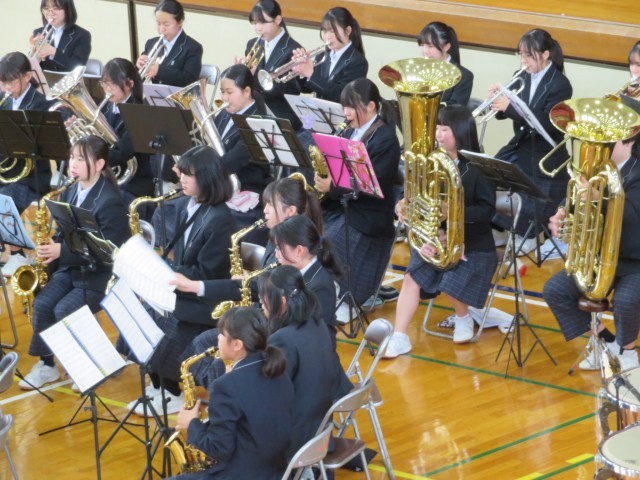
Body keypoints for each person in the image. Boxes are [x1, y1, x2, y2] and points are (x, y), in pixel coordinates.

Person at [127, 145, 236, 415]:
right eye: (182, 173)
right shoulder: (190, 206)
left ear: (207, 177)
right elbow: (182, 258)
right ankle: (159, 385)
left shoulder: (219, 219)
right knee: (143, 316)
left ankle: (172, 391)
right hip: (184, 289)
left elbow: (207, 274)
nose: (181, 179)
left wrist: (167, 273)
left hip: (204, 300)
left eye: (189, 174)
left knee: (163, 329)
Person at [384, 105, 497, 357]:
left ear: (461, 131)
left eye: (445, 129)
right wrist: (403, 204)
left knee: (448, 279)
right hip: (436, 239)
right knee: (411, 277)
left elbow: (487, 211)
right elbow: (414, 194)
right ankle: (400, 336)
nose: (438, 134)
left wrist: (454, 212)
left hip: (473, 244)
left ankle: (463, 317)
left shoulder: (479, 167)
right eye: (437, 128)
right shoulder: (430, 162)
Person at [18, 135, 130, 389]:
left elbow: (106, 252)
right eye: (71, 157)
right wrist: (51, 248)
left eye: (81, 159)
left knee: (65, 309)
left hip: (100, 275)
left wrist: (61, 251)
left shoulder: (110, 201)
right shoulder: (70, 190)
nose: (73, 164)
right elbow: (64, 232)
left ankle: (92, 366)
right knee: (43, 303)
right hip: (72, 268)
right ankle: (47, 365)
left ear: (99, 164)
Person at [543, 133, 640, 373]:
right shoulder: (599, 170)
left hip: (634, 260)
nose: (597, 144)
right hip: (599, 258)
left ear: (629, 138)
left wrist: (599, 198)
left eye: (606, 138)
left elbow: (631, 215)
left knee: (626, 301)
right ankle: (606, 340)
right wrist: (562, 213)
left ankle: (627, 352)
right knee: (555, 290)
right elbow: (573, 199)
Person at [169, 306, 294, 480]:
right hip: (277, 470)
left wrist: (191, 424)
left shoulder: (224, 387)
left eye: (221, 334)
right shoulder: (278, 370)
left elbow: (219, 450)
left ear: (237, 344)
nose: (217, 337)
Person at [314, 78, 400, 315]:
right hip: (346, 205)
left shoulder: (386, 139)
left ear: (371, 106)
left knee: (328, 243)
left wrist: (331, 187)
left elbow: (370, 183)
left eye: (352, 107)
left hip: (369, 214)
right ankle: (324, 294)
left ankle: (344, 297)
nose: (346, 113)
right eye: (345, 107)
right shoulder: (350, 130)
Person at [491, 28, 572, 252]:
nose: (523, 60)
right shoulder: (521, 75)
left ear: (545, 54)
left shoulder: (560, 84)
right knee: (489, 173)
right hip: (521, 145)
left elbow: (546, 123)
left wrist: (509, 107)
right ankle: (500, 228)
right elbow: (506, 110)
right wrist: (495, 103)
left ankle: (527, 235)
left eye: (528, 55)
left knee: (529, 190)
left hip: (545, 151)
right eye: (521, 54)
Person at [259, 265, 351, 457]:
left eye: (264, 296)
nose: (261, 301)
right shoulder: (317, 324)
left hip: (294, 442)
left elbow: (270, 394)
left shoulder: (282, 339)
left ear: (282, 302)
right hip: (319, 434)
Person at [0, 52, 53, 276]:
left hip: (31, 178)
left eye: (11, 82)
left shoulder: (40, 105)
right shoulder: (4, 101)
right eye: (3, 82)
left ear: (27, 76)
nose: (7, 88)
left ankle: (17, 253)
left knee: (3, 201)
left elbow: (44, 147)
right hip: (8, 173)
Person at [214, 64, 273, 232]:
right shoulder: (225, 113)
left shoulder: (258, 122)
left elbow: (232, 161)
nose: (224, 98)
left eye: (229, 92)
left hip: (247, 189)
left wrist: (198, 170)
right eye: (222, 92)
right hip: (221, 184)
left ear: (246, 91)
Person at [270, 214, 342, 346]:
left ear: (299, 251)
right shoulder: (300, 271)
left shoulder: (320, 286)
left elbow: (307, 331)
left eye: (279, 248)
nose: (276, 254)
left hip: (313, 350)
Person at [99, 58, 155, 205]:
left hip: (133, 185)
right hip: (108, 179)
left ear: (130, 84)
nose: (108, 89)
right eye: (104, 83)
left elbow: (122, 152)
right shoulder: (104, 108)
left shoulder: (140, 112)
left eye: (113, 84)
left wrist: (92, 155)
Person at [244, 0, 304, 130]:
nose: (258, 28)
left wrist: (255, 75)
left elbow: (289, 91)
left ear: (277, 20)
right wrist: (242, 71)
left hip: (280, 115)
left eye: (262, 22)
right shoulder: (252, 44)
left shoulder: (293, 49)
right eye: (254, 23)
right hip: (255, 109)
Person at [292, 7, 368, 104]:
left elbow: (341, 95)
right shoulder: (322, 56)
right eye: (325, 31)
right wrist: (301, 70)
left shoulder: (358, 61)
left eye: (333, 31)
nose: (328, 36)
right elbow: (307, 89)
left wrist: (311, 74)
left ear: (348, 31)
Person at [135, 0, 203, 87]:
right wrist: (139, 65)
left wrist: (159, 71)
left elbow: (189, 79)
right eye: (158, 23)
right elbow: (140, 77)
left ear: (180, 22)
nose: (161, 29)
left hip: (178, 95)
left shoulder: (193, 47)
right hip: (154, 93)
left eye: (166, 24)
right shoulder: (151, 43)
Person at [417, 21, 473, 107]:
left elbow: (455, 109)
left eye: (430, 46)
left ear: (446, 47)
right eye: (422, 45)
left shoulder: (464, 76)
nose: (425, 51)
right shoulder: (417, 70)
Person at [30, 0, 91, 72]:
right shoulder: (39, 32)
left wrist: (54, 52)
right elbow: (33, 68)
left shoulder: (82, 35)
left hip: (68, 78)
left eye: (56, 8)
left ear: (68, 9)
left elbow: (79, 67)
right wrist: (33, 54)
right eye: (46, 8)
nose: (50, 13)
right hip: (44, 78)